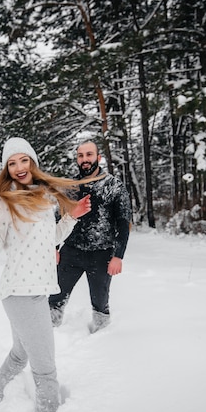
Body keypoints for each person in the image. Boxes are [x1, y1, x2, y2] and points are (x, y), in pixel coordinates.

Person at [0, 137, 92, 412]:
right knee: (46, 371)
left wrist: (71, 217)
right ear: (7, 169)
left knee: (20, 354)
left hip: (35, 289)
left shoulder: (43, 198)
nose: (18, 167)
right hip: (21, 293)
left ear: (33, 162)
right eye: (11, 163)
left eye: (23, 160)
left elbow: (49, 239)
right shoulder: (3, 201)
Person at [48, 139, 132, 334]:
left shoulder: (114, 186)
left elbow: (123, 223)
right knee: (55, 298)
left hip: (102, 255)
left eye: (89, 155)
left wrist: (118, 256)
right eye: (80, 155)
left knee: (100, 301)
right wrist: (54, 248)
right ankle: (49, 334)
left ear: (98, 157)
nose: (84, 159)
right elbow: (57, 218)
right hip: (71, 252)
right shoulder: (71, 186)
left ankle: (100, 340)